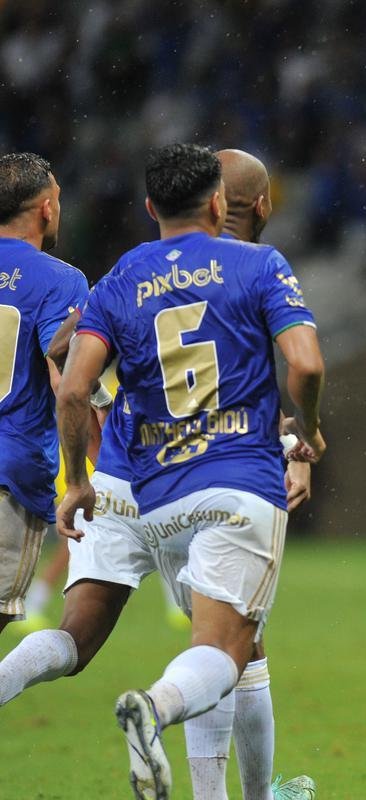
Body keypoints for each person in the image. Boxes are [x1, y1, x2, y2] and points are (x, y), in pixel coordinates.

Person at [56, 143, 326, 800]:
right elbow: (305, 365)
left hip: (153, 488)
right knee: (226, 648)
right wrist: (306, 433)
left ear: (155, 206)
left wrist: (85, 451)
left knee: (235, 645)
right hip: (234, 481)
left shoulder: (126, 274)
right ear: (249, 206)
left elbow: (69, 364)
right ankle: (157, 708)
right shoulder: (258, 266)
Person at [0, 153, 89, 637]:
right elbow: (68, 382)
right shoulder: (60, 279)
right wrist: (82, 476)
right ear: (47, 209)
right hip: (8, 473)